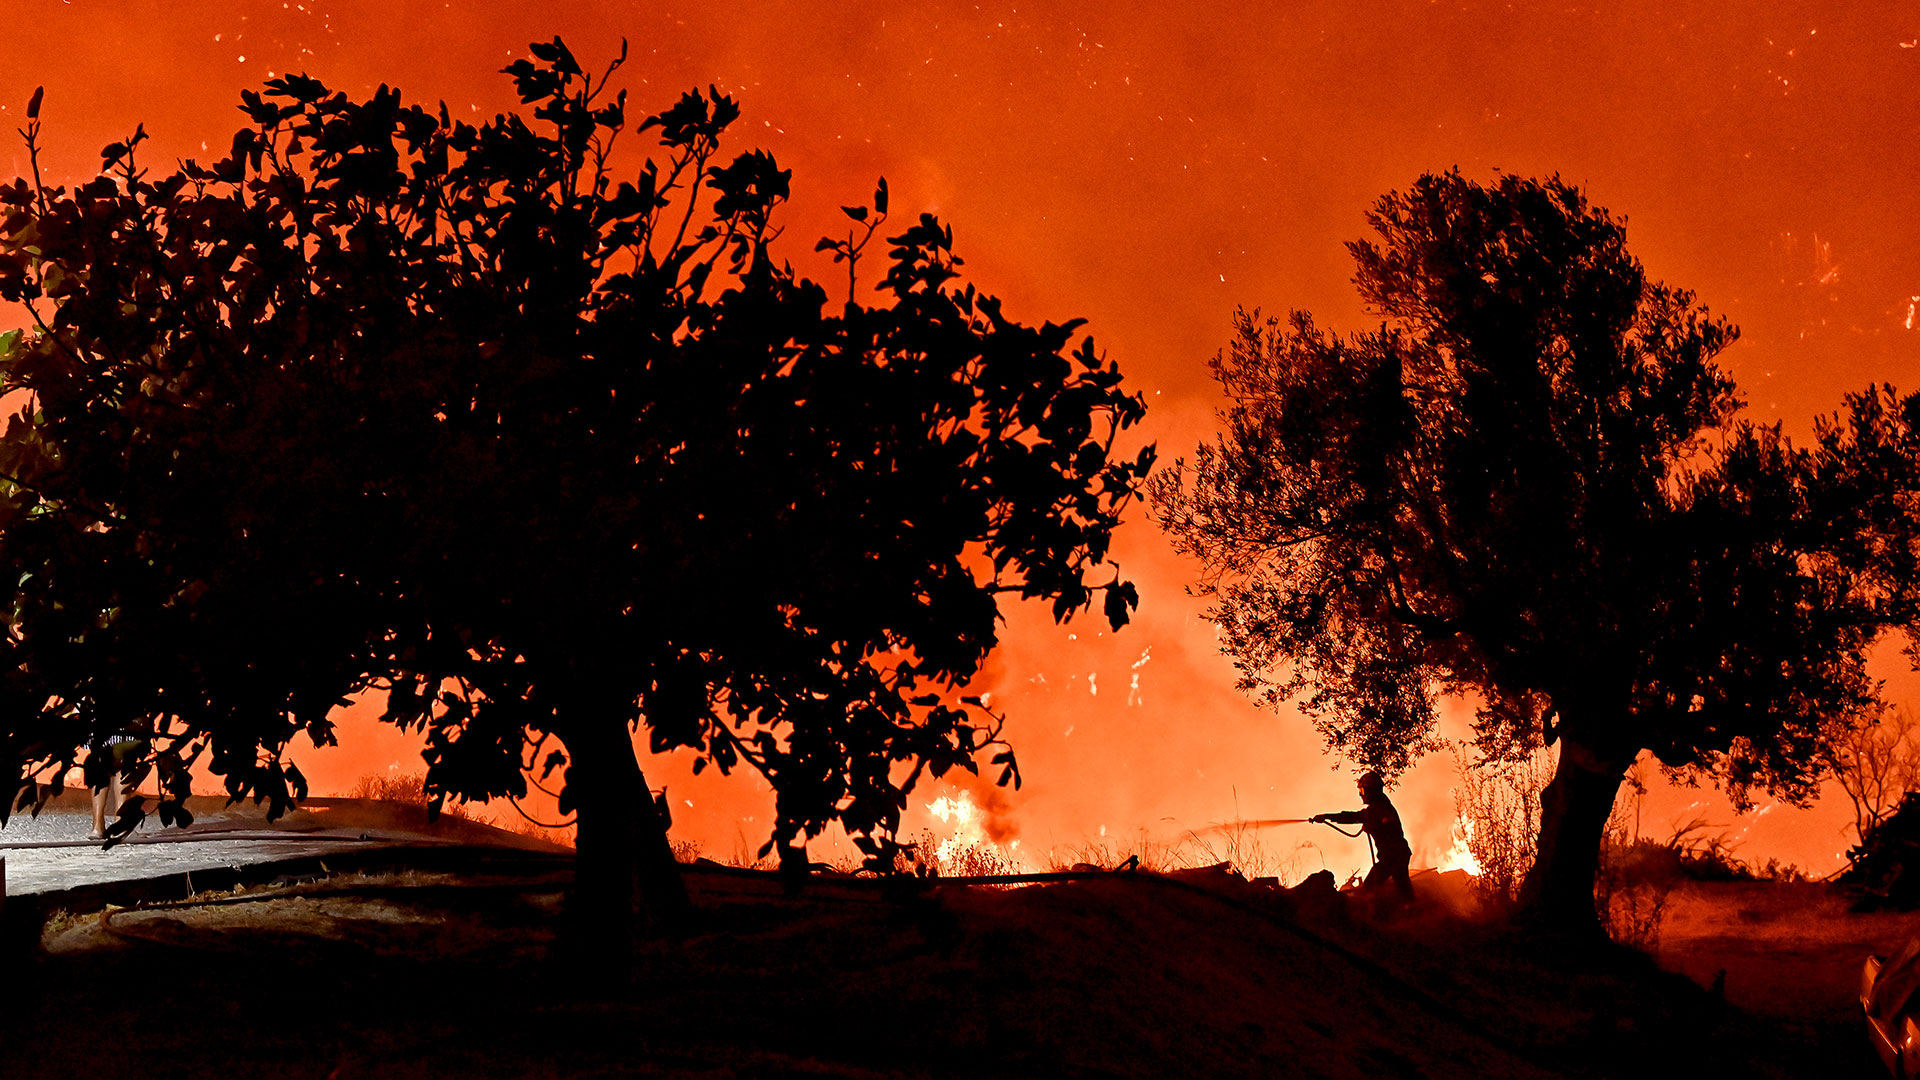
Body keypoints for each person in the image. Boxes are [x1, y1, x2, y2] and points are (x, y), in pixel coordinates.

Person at [1311, 770, 1415, 903]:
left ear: (1373, 791)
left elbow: (1353, 817)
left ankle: (1377, 915)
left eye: (1363, 791)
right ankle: (1411, 911)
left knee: (1370, 888)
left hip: (1391, 858)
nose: (1361, 795)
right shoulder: (1382, 807)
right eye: (1360, 791)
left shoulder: (1378, 809)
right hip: (1399, 854)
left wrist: (1327, 816)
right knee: (1403, 888)